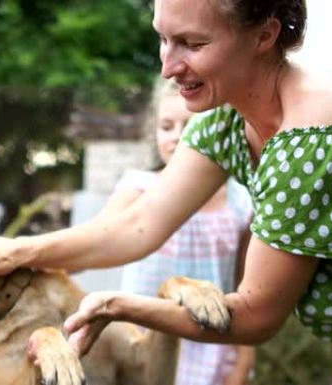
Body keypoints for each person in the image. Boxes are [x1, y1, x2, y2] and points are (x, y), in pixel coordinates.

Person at [0, 0, 332, 383]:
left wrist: (117, 304)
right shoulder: (229, 113)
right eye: (163, 38)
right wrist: (10, 249)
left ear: (264, 33)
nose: (169, 67)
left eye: (192, 43)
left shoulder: (309, 143)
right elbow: (139, 224)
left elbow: (254, 318)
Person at [99, 78, 255, 385]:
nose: (176, 137)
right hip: (142, 347)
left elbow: (244, 285)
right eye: (166, 126)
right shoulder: (138, 188)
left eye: (189, 126)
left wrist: (244, 358)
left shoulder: (240, 201)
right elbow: (99, 240)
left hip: (211, 349)